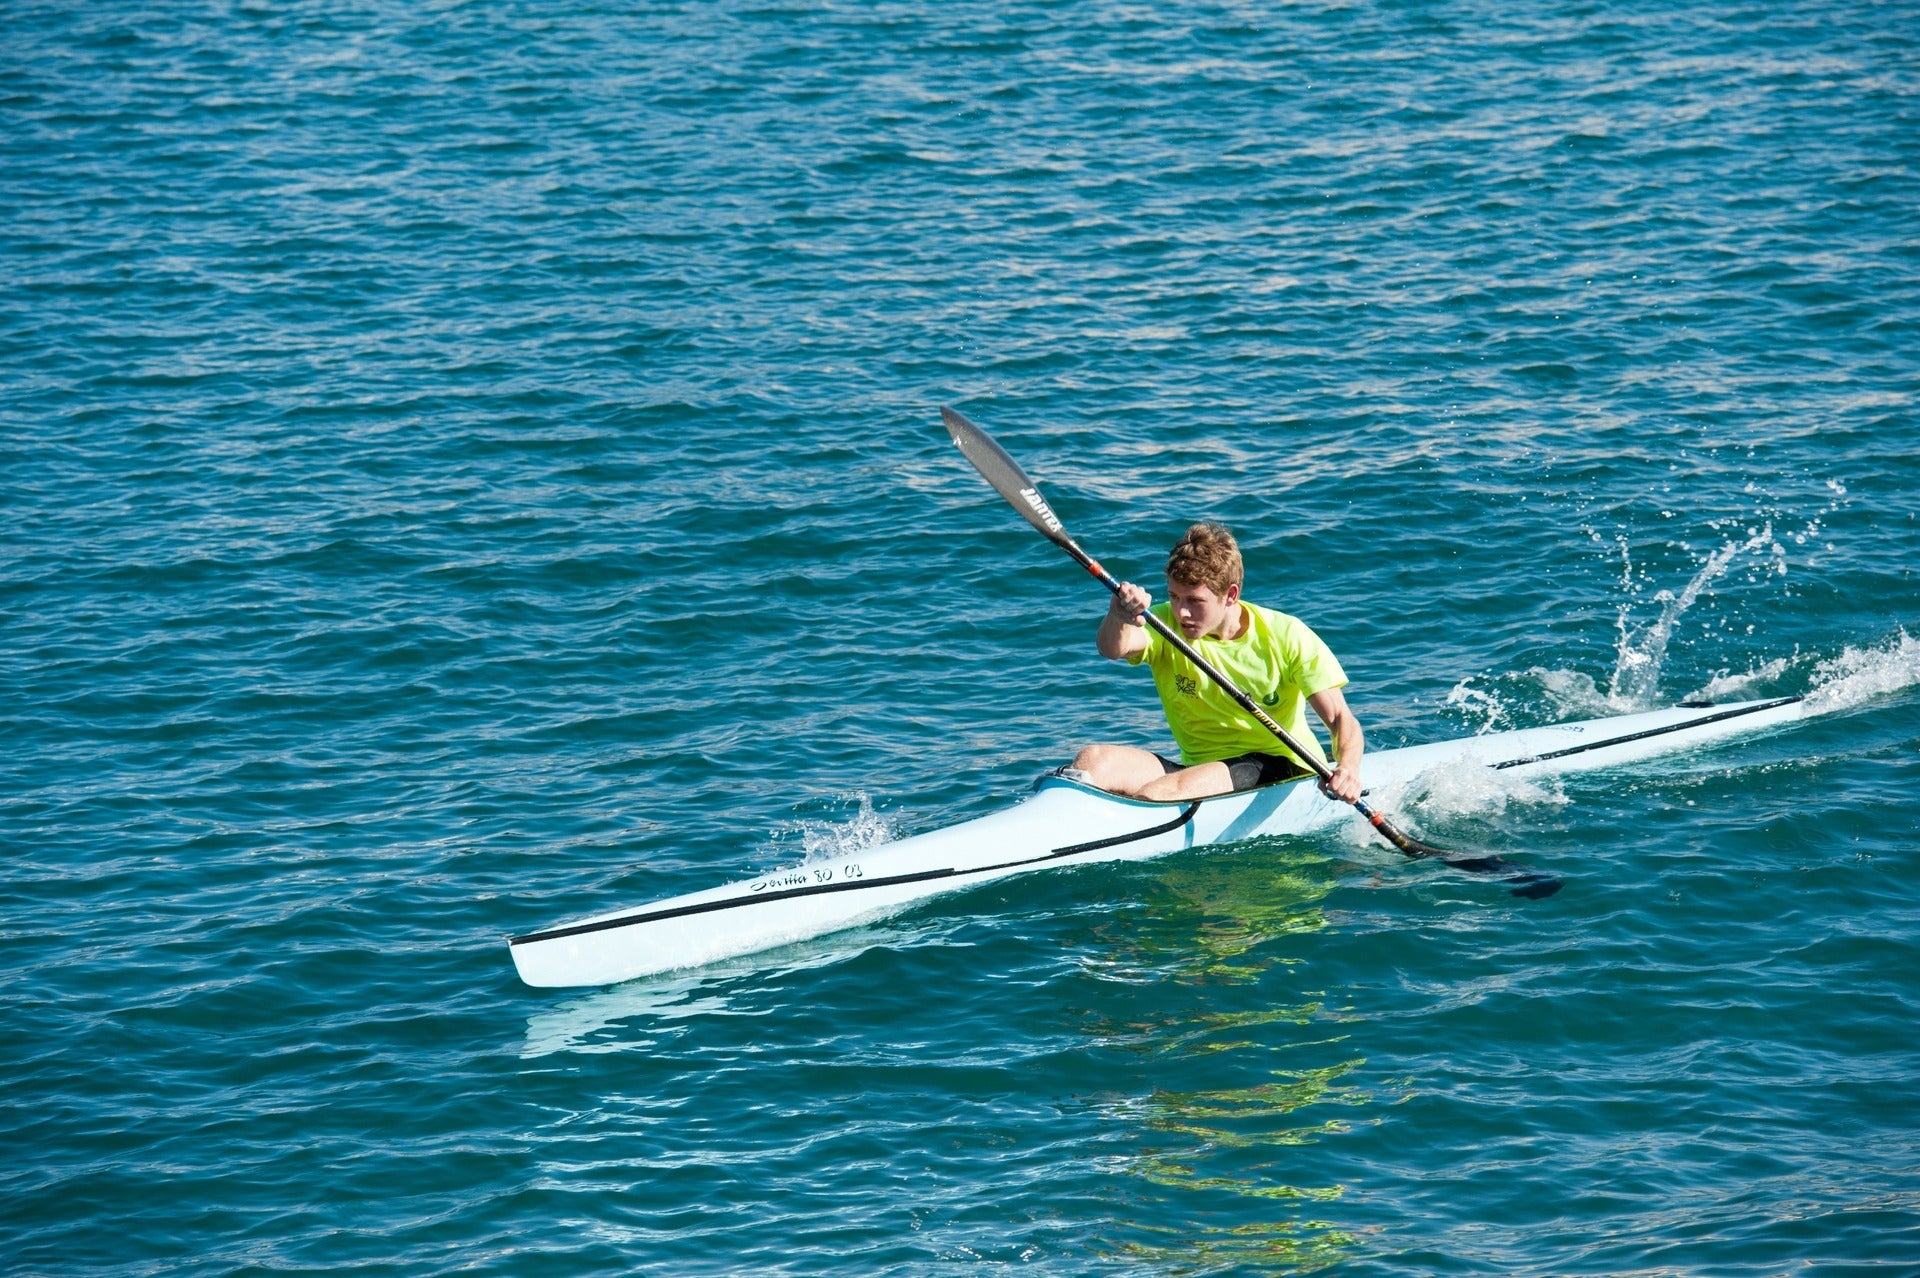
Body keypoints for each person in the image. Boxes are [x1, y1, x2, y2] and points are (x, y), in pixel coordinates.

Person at [1066, 522, 1365, 803]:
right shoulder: (1164, 624)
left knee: (1159, 793)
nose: (1181, 612)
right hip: (1200, 768)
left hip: (1283, 767)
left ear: (1230, 595)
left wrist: (1347, 769)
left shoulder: (1286, 635)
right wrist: (1119, 616)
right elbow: (1113, 649)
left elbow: (1340, 718)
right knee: (1092, 761)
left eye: (1194, 601)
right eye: (1174, 597)